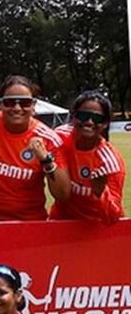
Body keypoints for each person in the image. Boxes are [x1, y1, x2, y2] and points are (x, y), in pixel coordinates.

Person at [0, 75, 70, 221]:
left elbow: (63, 194)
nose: (17, 108)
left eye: (25, 103)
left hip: (28, 224)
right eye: (10, 102)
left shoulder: (49, 139)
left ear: (34, 105)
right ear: (0, 104)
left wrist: (46, 160)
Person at [50, 90, 125, 223]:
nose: (89, 122)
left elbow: (114, 217)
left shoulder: (110, 163)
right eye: (83, 116)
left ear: (105, 123)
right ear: (73, 117)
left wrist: (101, 192)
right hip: (60, 224)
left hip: (94, 230)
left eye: (97, 118)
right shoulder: (59, 138)